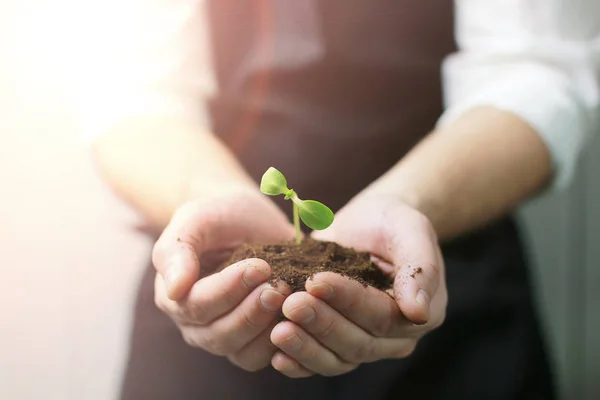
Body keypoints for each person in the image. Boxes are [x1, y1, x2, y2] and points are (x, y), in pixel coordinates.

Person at [82, 0, 599, 398]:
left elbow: (537, 73)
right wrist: (208, 194)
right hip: (214, 281)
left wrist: (407, 201)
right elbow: (133, 93)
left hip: (445, 272)